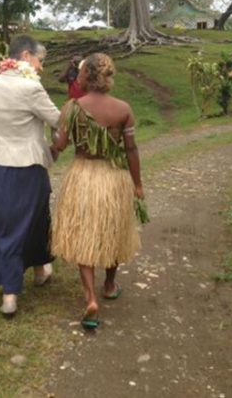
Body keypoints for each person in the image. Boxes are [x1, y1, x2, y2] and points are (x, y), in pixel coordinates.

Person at [51, 53, 143, 329]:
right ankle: (109, 284)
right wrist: (137, 184)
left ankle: (90, 298)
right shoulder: (123, 109)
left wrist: (53, 135)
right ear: (108, 76)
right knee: (112, 231)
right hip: (113, 177)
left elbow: (60, 145)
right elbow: (131, 149)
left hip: (82, 176)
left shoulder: (72, 107)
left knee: (84, 235)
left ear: (84, 76)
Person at [0, 35, 60, 316]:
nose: (41, 68)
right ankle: (10, 294)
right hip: (27, 167)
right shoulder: (31, 88)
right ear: (26, 56)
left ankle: (40, 268)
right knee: (28, 222)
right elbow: (59, 120)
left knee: (5, 224)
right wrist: (55, 146)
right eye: (40, 61)